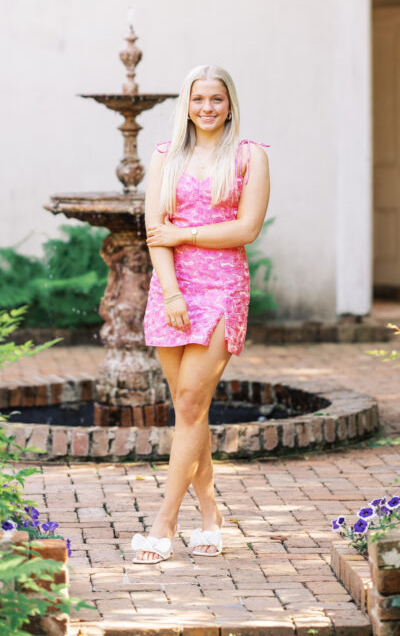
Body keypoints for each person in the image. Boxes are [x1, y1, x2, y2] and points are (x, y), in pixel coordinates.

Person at [131, 64, 270, 564]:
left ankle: (164, 523)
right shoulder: (165, 156)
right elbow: (155, 229)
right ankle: (210, 514)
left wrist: (185, 234)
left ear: (229, 103)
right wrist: (170, 293)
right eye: (198, 100)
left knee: (190, 402)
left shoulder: (249, 156)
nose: (207, 108)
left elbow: (246, 228)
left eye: (216, 99)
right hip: (173, 289)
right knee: (192, 408)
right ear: (186, 106)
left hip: (223, 286)